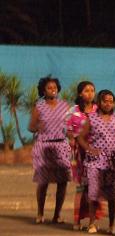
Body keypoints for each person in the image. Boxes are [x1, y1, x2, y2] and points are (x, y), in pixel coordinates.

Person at [77, 90, 115, 235]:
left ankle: (112, 224)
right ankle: (92, 223)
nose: (108, 104)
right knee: (93, 193)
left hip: (112, 161)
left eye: (111, 101)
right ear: (99, 102)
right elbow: (81, 138)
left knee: (112, 194)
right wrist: (89, 149)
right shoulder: (91, 118)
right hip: (95, 161)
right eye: (105, 101)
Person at [29, 75, 71, 224]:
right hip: (44, 146)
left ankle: (57, 215)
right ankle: (40, 213)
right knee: (43, 181)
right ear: (43, 90)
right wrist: (38, 127)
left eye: (55, 87)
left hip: (61, 146)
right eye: (49, 88)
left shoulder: (65, 106)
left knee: (63, 181)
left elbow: (70, 125)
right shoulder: (39, 106)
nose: (53, 90)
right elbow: (30, 127)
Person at [65, 81, 104, 230]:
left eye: (92, 90)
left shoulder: (98, 110)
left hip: (95, 153)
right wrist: (74, 138)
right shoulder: (73, 111)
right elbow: (68, 131)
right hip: (80, 154)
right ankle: (76, 221)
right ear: (80, 93)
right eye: (86, 90)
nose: (90, 93)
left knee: (94, 188)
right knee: (81, 188)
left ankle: (92, 222)